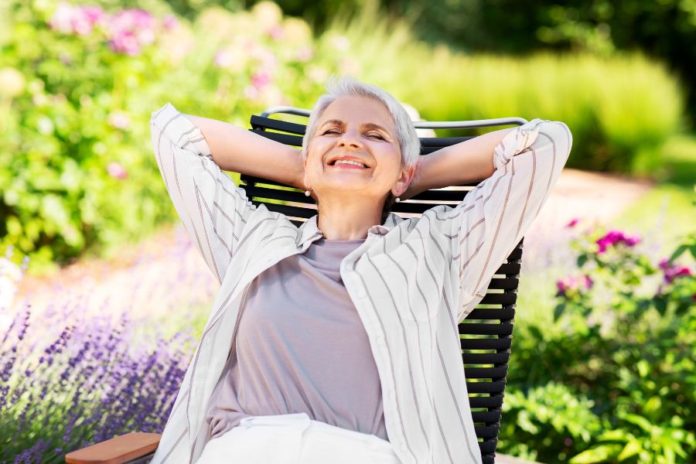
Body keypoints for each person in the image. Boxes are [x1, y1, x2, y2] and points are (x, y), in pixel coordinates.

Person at [147, 76, 572, 464]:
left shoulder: (438, 250)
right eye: (332, 131)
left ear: (404, 172)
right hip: (247, 450)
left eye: (375, 134)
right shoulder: (252, 240)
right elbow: (174, 134)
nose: (350, 142)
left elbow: (544, 143)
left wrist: (414, 173)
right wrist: (304, 167)